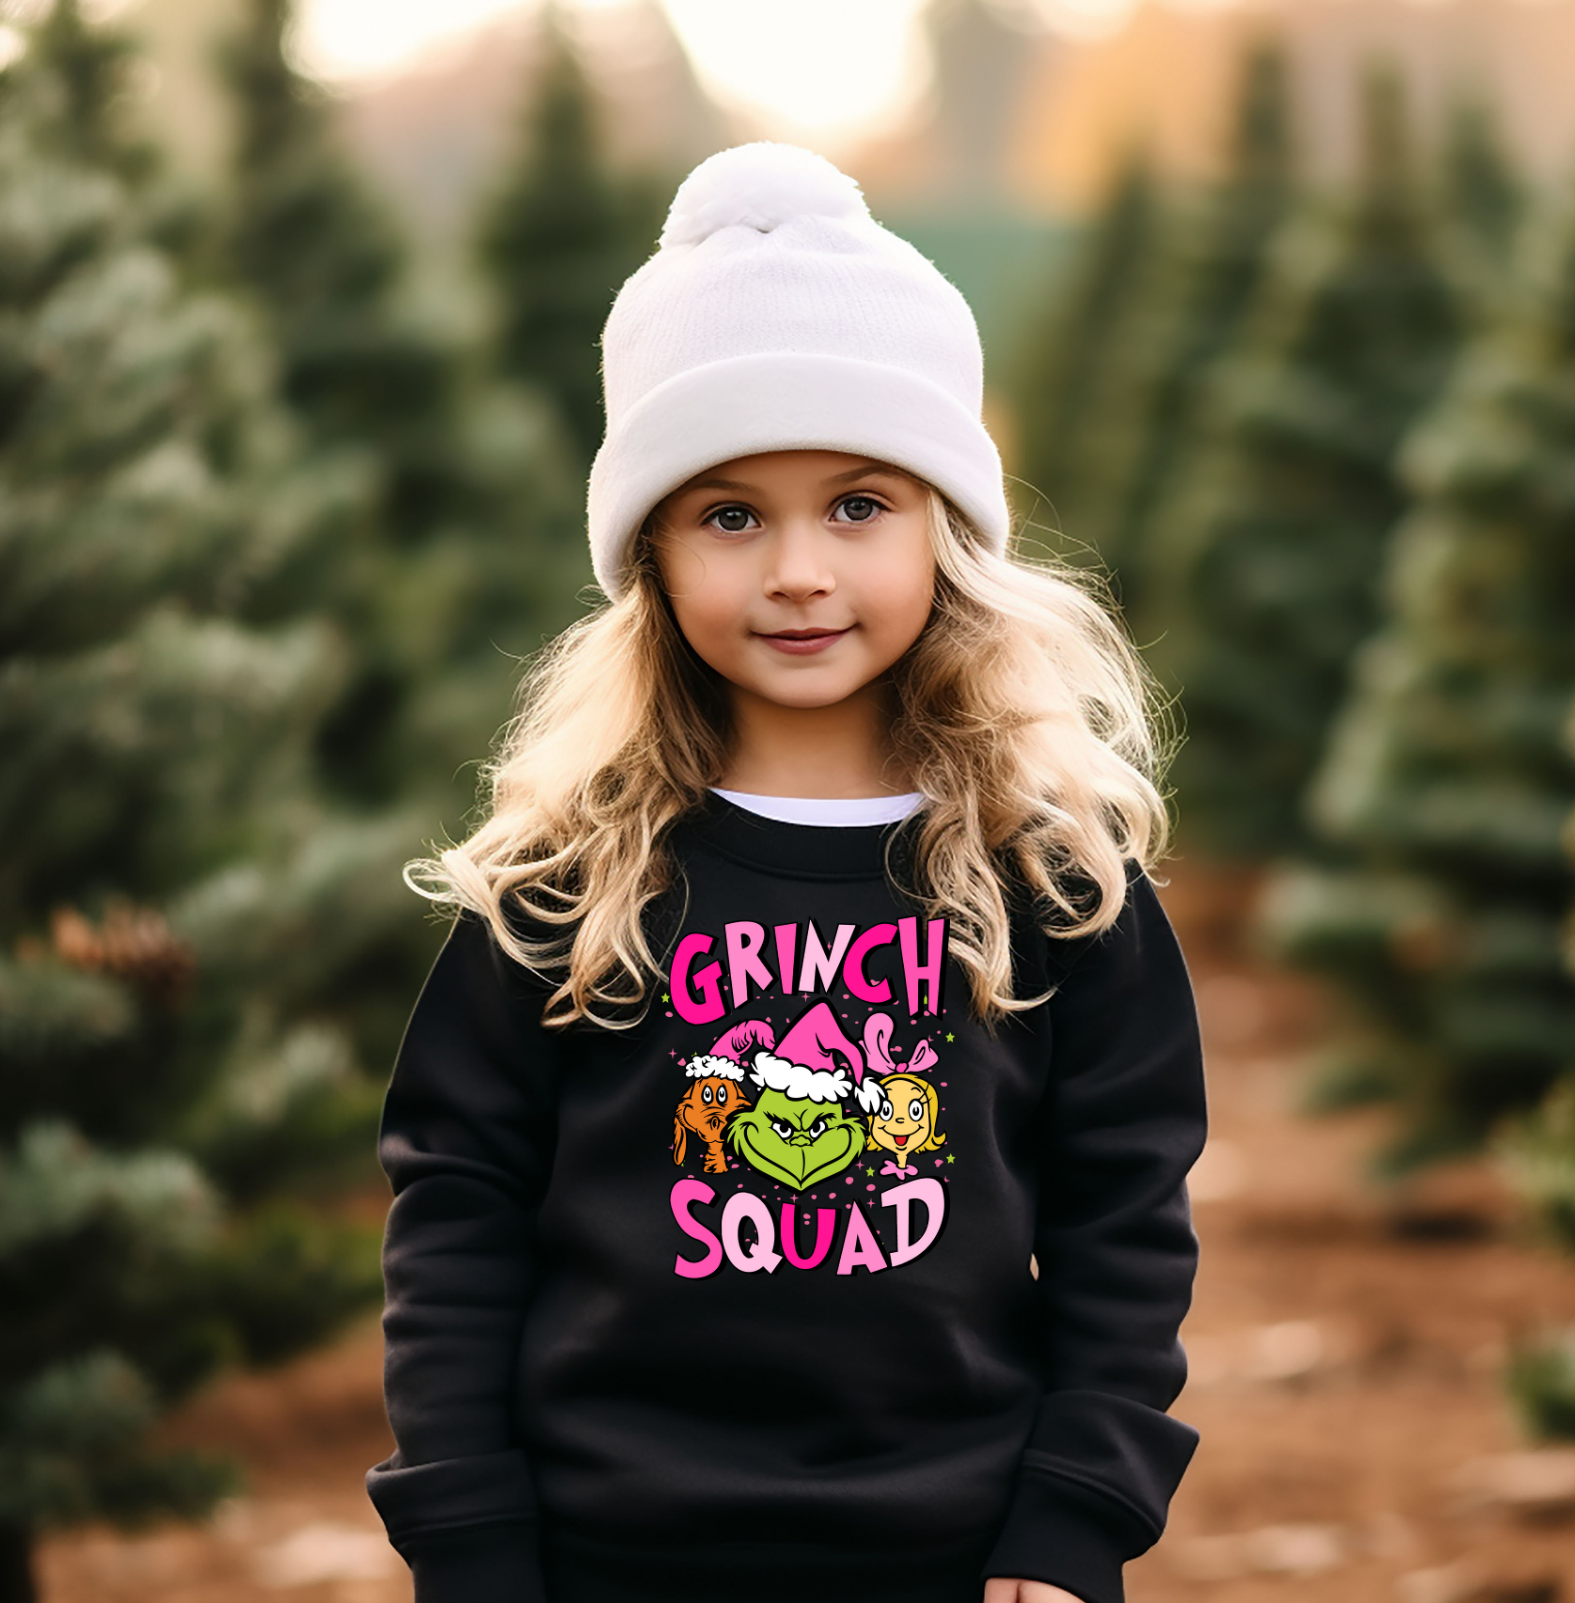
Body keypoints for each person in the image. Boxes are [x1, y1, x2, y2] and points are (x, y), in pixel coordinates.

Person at [366, 141, 1206, 1603]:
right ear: (652, 556)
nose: (798, 570)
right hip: (606, 1554)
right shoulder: (579, 876)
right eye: (730, 512)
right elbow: (458, 1202)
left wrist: (1077, 1513)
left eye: (859, 504)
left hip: (953, 1554)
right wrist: (469, 1527)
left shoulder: (1045, 876)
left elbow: (1122, 1209)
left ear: (949, 532)